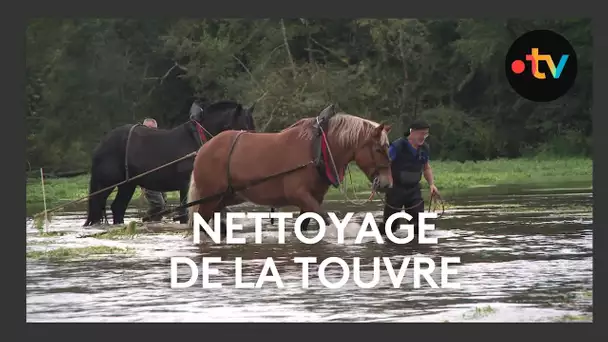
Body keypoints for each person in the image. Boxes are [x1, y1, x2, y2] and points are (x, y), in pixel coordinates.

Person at [382, 119, 440, 237]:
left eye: (426, 134)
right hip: (395, 190)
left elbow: (426, 168)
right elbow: (385, 164)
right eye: (421, 133)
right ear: (412, 132)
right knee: (390, 227)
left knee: (418, 225)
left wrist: (431, 184)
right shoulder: (397, 146)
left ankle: (415, 250)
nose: (423, 137)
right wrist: (385, 181)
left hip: (413, 190)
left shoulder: (424, 148)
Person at [140, 118, 168, 222]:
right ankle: (145, 222)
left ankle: (154, 227)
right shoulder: (139, 144)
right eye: (148, 129)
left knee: (163, 206)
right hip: (148, 180)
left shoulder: (160, 143)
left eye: (153, 129)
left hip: (161, 180)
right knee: (158, 204)